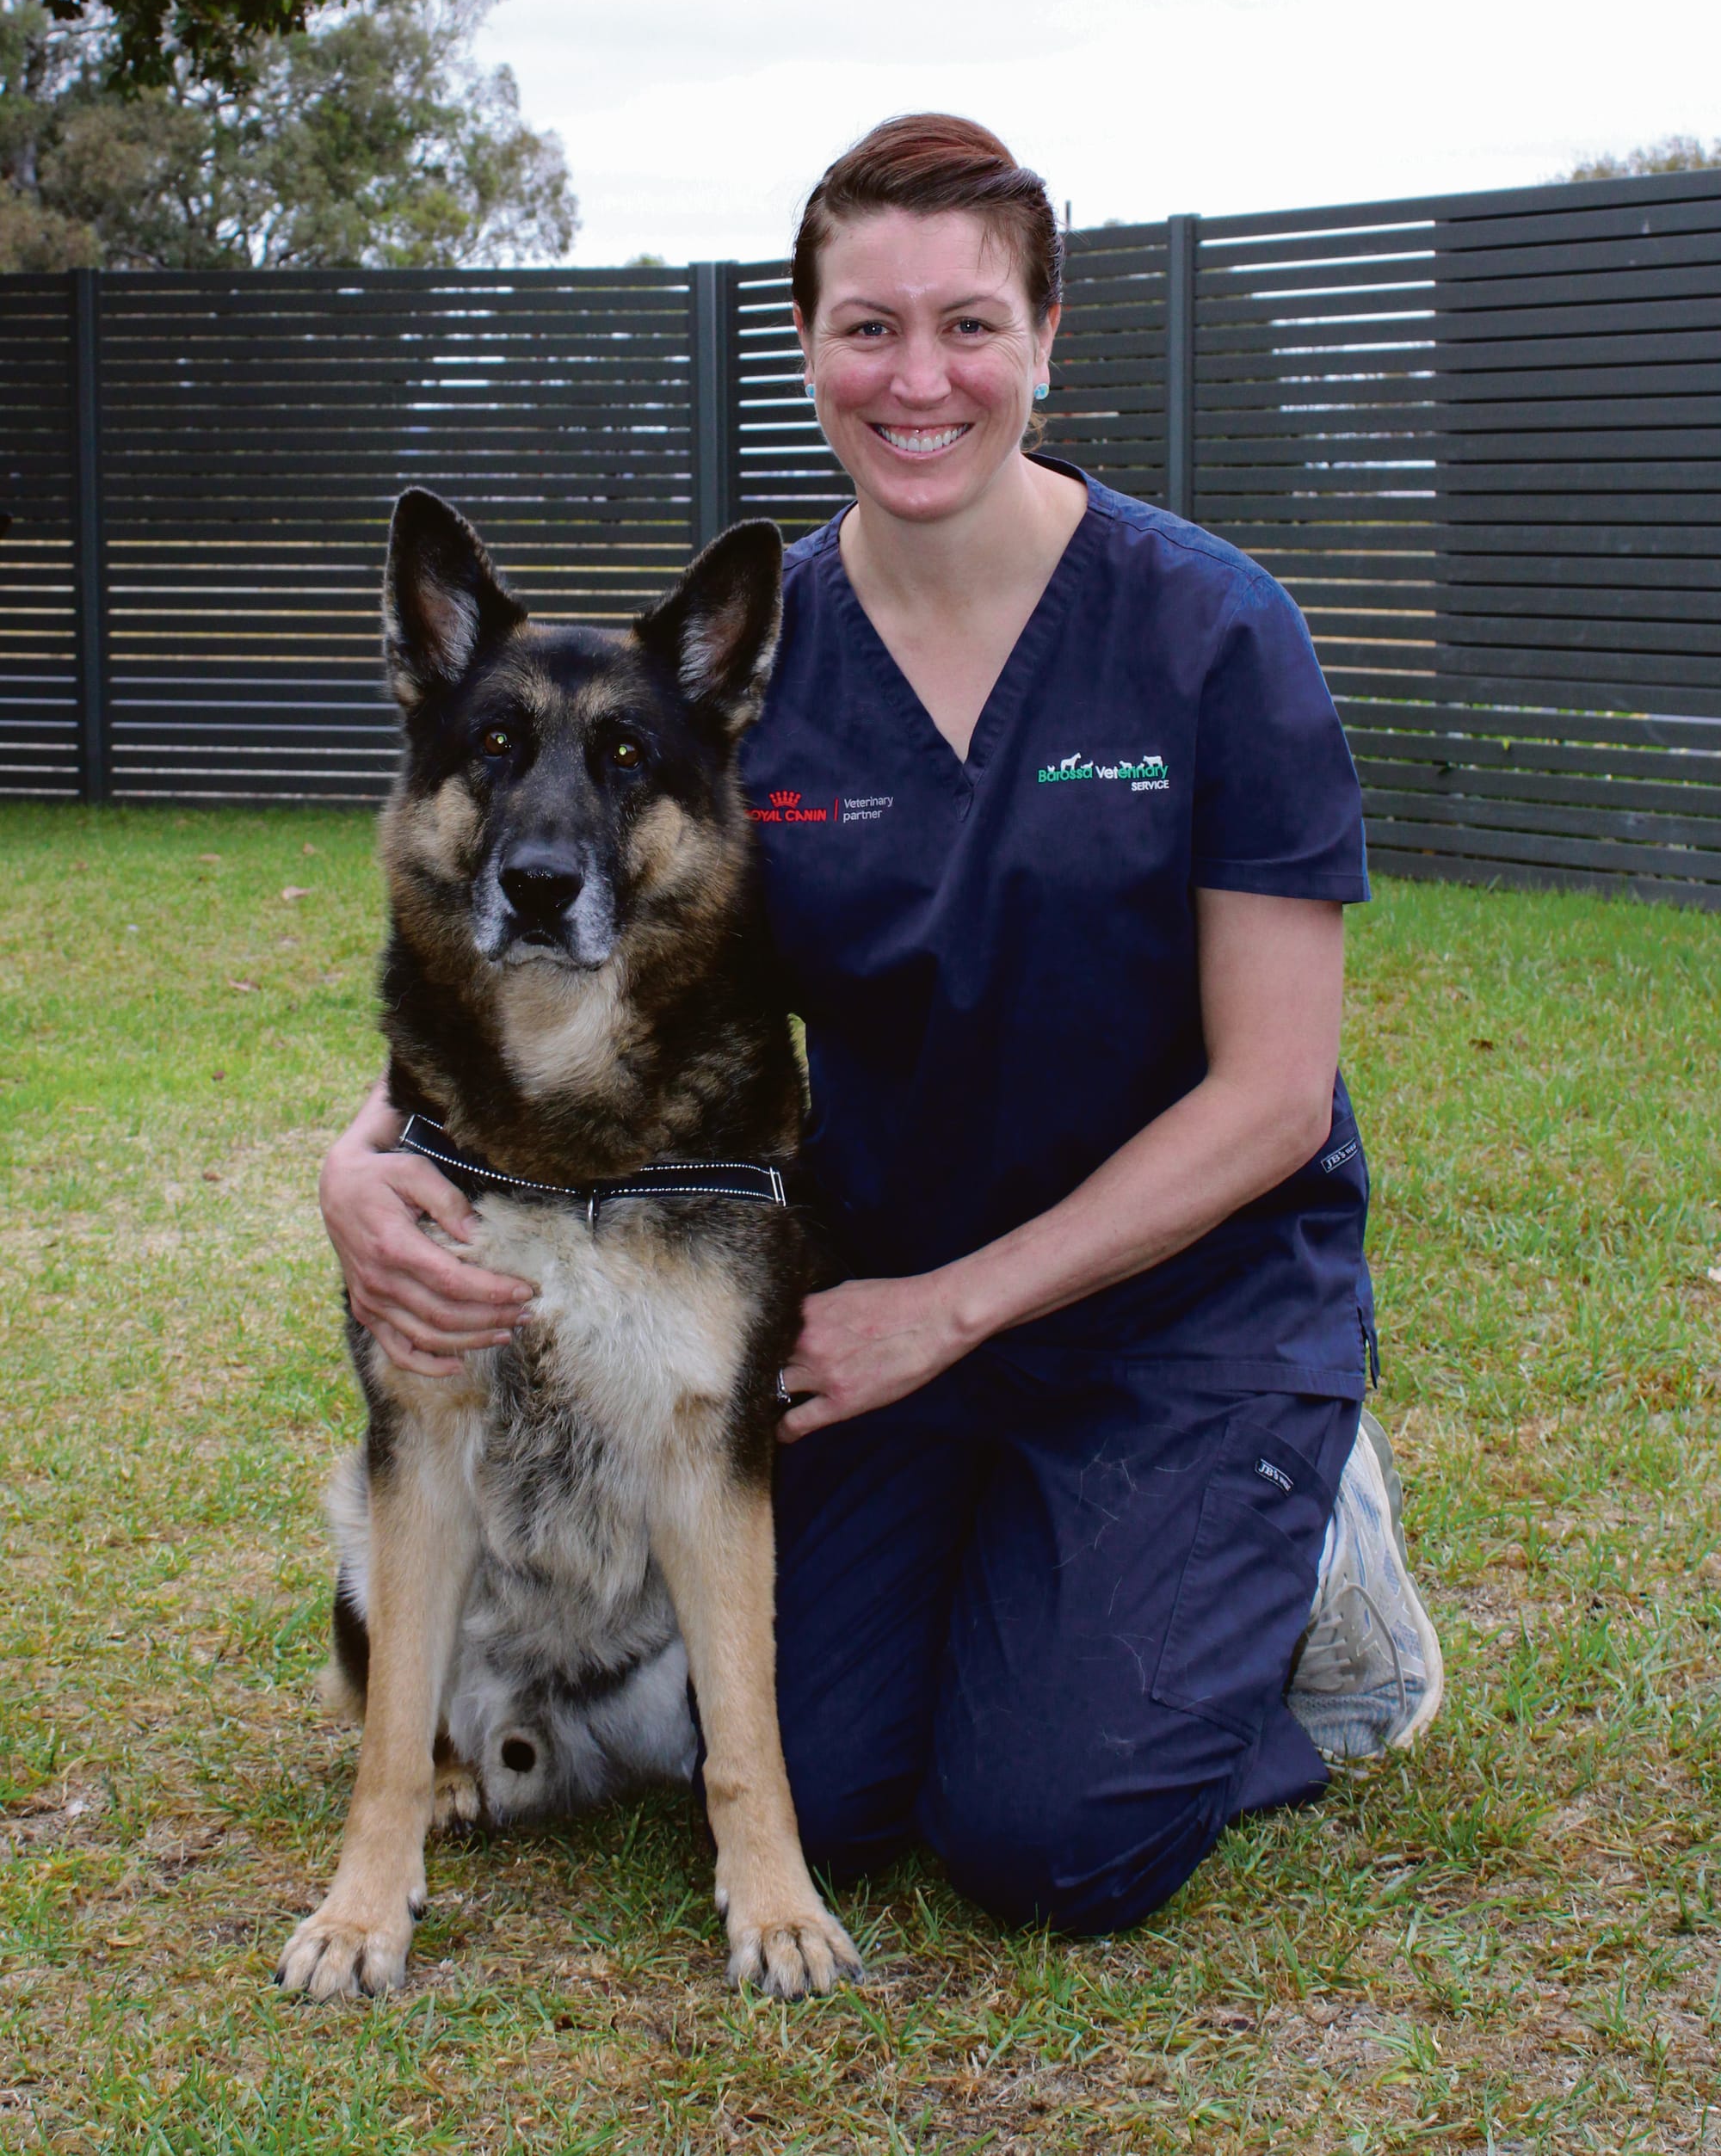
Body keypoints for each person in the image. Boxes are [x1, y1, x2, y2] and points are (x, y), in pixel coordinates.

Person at [319, 113, 1443, 1937]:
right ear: (808, 345)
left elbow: (1272, 1093)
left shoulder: (1213, 635)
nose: (918, 379)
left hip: (1179, 1311)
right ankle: (1065, 1574)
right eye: (868, 327)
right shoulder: (761, 670)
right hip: (878, 1316)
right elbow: (596, 970)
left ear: (1045, 340)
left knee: (1044, 1840)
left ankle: (1313, 1550)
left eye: (969, 325)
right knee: (823, 1789)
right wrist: (355, 1163)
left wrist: (955, 1307)